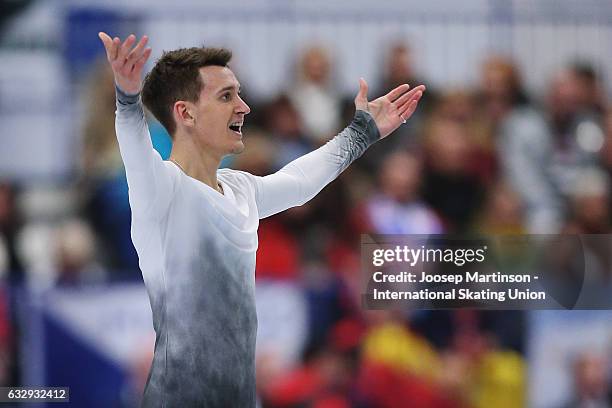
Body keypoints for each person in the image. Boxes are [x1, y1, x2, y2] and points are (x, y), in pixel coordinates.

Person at [97, 32, 425, 407]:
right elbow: (135, 147)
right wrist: (126, 96)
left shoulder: (242, 191)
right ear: (185, 113)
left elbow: (300, 182)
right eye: (226, 96)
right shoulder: (162, 190)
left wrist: (363, 132)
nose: (244, 107)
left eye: (238, 93)